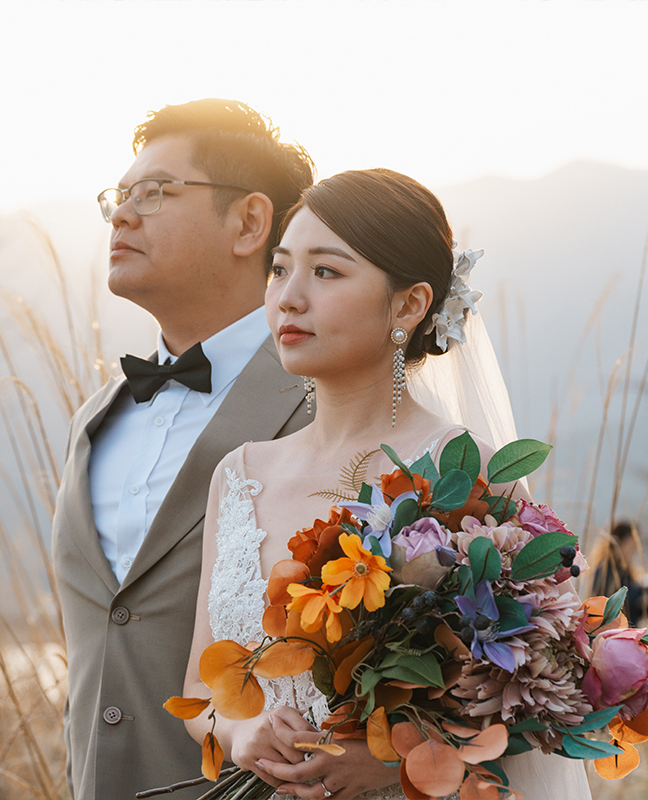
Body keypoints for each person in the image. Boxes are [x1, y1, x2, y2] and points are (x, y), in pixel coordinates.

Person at [183, 169, 592, 799]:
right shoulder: (239, 475)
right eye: (280, 269)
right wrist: (245, 734)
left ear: (408, 304)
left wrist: (392, 761)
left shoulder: (464, 472)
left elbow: (544, 688)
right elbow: (201, 689)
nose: (288, 297)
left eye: (326, 272)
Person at [51, 98, 316, 800]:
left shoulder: (324, 406)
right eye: (119, 196)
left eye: (156, 193)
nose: (122, 215)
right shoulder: (93, 421)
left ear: (250, 223)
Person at [590, 521, 648, 627]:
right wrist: (645, 590)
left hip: (626, 632)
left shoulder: (625, 570)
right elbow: (615, 599)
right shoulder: (604, 570)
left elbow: (632, 613)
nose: (634, 549)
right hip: (611, 633)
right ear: (620, 543)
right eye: (632, 544)